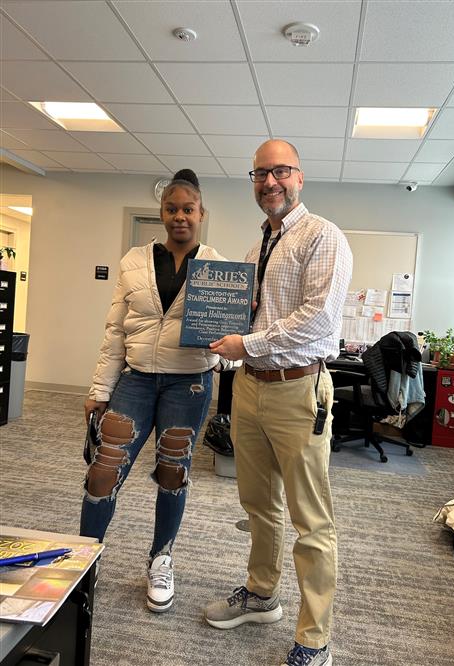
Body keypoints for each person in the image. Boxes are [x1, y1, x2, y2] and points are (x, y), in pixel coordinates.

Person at [204, 140, 353, 666]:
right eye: (260, 174)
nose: (270, 182)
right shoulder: (255, 249)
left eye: (280, 171)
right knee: (258, 505)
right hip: (251, 388)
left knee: (311, 519)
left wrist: (246, 344)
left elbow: (318, 320)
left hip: (298, 389)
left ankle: (315, 639)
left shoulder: (323, 237)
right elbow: (250, 321)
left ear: (300, 176)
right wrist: (222, 338)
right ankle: (262, 593)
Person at [80, 169, 226, 613]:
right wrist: (99, 390)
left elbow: (225, 339)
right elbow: (114, 333)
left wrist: (228, 342)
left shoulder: (219, 268)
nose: (179, 216)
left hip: (190, 383)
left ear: (201, 213)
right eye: (171, 208)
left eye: (188, 209)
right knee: (104, 470)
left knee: (172, 471)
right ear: (161, 213)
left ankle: (161, 558)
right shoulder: (133, 261)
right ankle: (85, 563)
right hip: (137, 379)